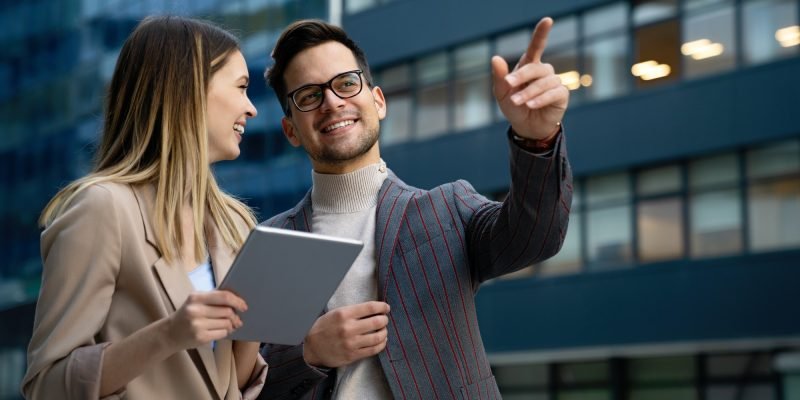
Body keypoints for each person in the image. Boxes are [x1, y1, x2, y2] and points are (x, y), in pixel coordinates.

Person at [258, 17, 572, 399]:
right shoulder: (274, 243)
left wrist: (537, 139)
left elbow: (534, 238)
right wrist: (309, 352)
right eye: (309, 96)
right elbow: (242, 382)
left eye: (346, 83)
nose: (332, 102)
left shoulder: (446, 209)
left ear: (378, 101)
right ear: (291, 130)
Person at [21, 16, 268, 400]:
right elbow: (46, 385)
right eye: (241, 87)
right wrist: (169, 334)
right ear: (188, 90)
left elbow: (232, 383)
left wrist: (258, 322)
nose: (252, 109)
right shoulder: (103, 209)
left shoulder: (234, 223)